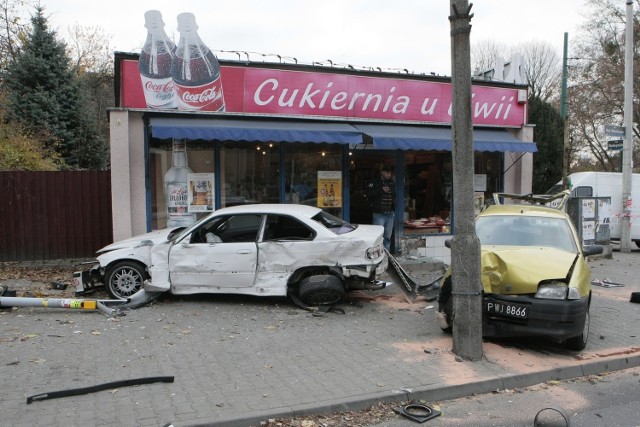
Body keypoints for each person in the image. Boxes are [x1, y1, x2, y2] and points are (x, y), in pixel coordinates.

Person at [365, 165, 396, 251]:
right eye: (387, 173)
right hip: (379, 213)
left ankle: (387, 256)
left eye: (390, 173)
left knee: (387, 237)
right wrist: (381, 190)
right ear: (382, 172)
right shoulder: (374, 182)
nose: (389, 175)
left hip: (390, 213)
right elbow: (369, 194)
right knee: (377, 236)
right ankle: (376, 254)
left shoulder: (391, 183)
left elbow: (394, 195)